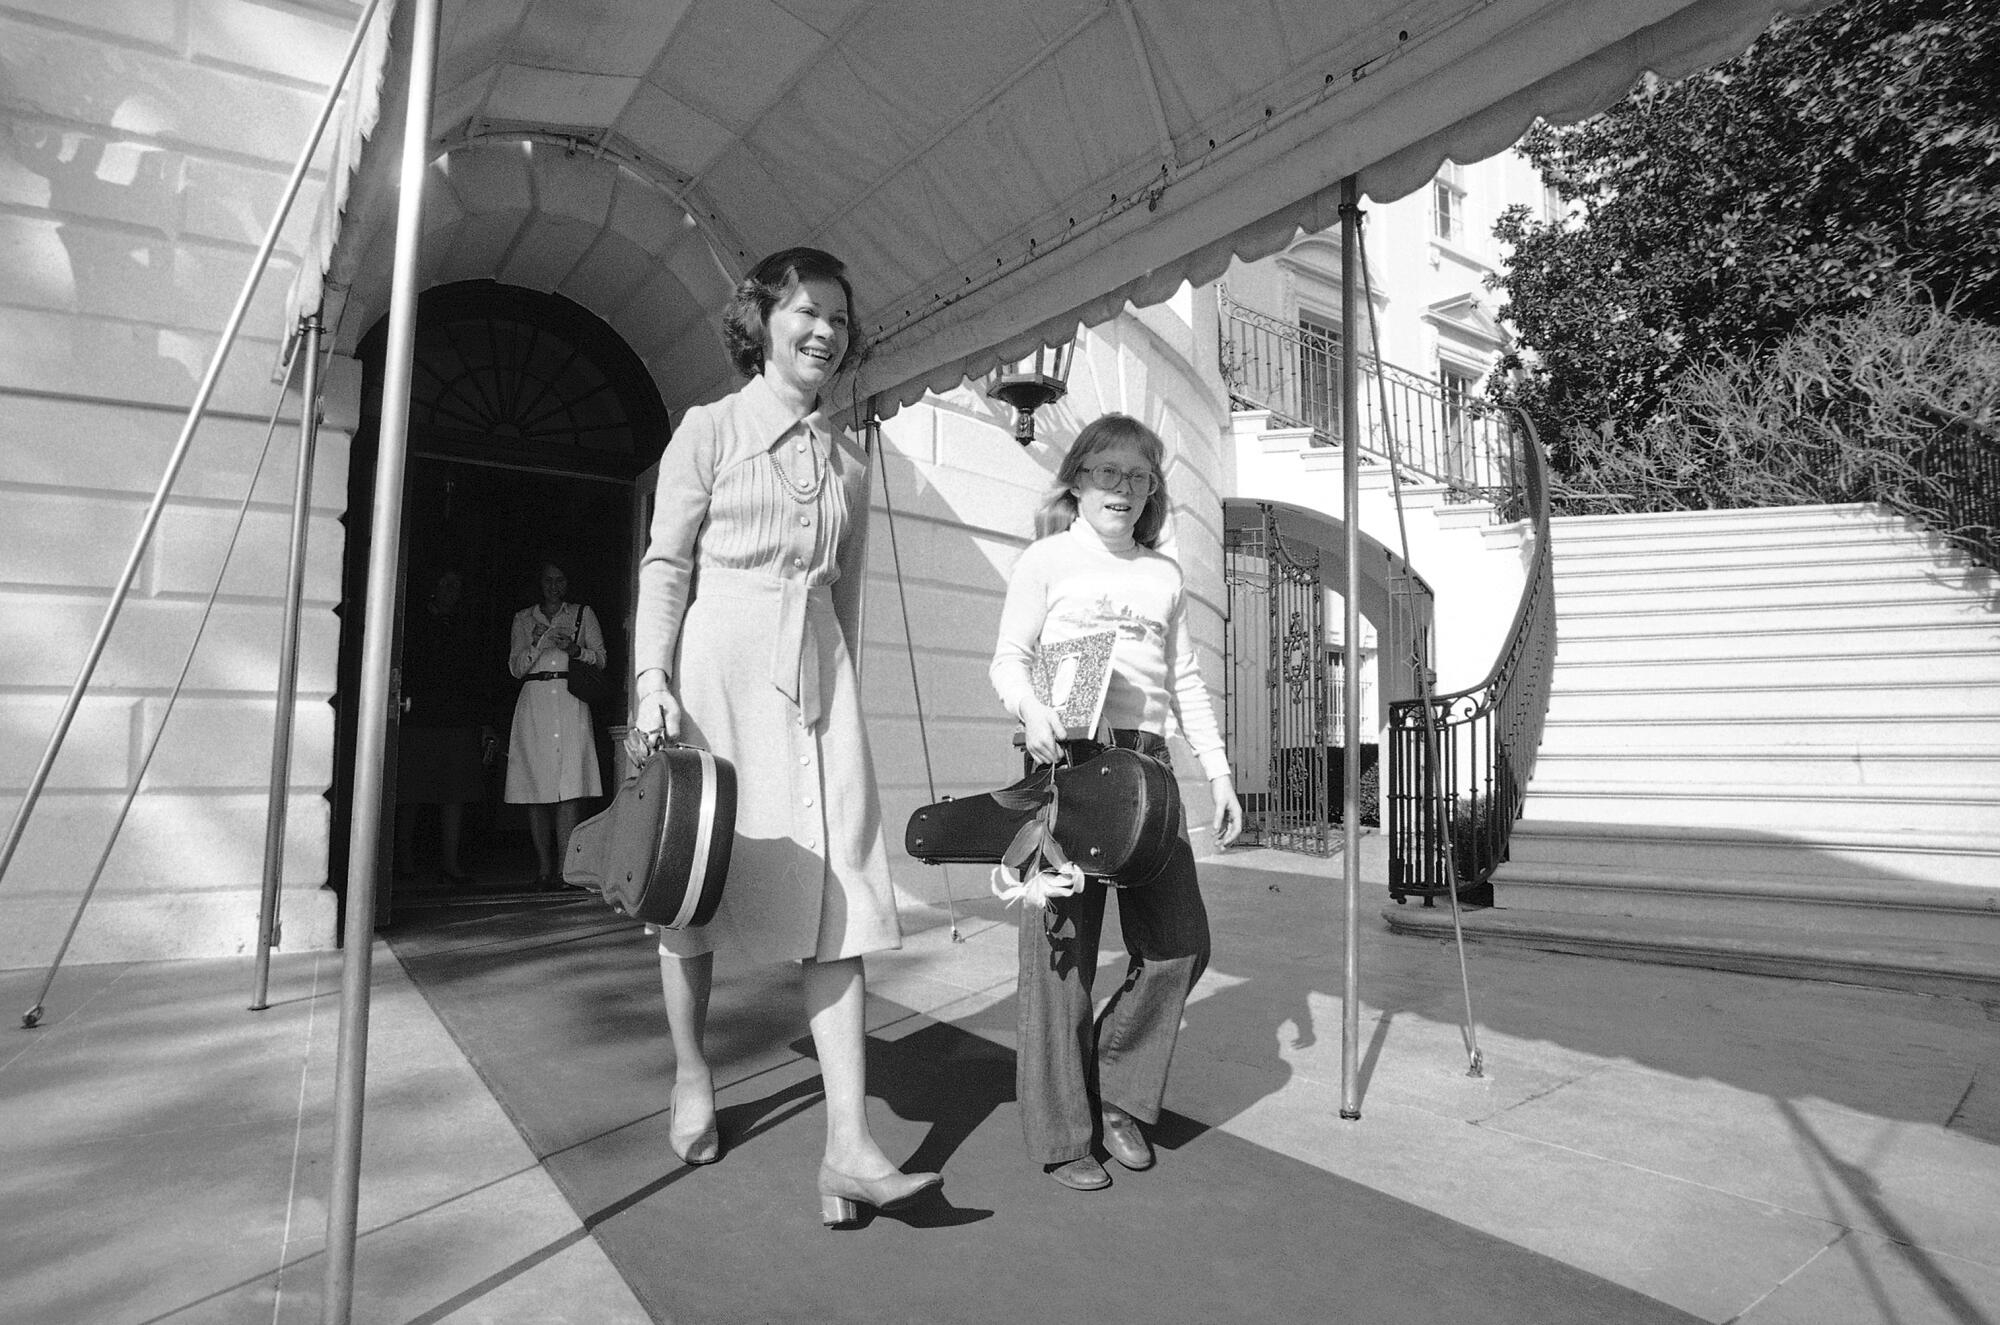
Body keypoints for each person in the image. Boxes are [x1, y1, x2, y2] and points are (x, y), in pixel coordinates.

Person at [625, 246, 941, 1227]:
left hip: (819, 679)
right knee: (698, 888)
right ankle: (691, 1072)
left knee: (838, 892)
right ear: (761, 320)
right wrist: (649, 681)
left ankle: (846, 1143)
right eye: (808, 311)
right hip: (717, 668)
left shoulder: (850, 459)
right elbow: (665, 565)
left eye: (841, 319)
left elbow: (845, 599)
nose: (826, 332)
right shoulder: (707, 431)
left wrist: (844, 699)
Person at [988, 412, 1244, 1192]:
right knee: (1061, 958)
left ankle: (1121, 1089)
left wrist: (1222, 772)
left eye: (1138, 477)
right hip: (1068, 762)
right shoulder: (1047, 559)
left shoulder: (1162, 576)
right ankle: (1065, 1132)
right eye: (1106, 472)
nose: (1122, 489)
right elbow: (1009, 660)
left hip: (1148, 768)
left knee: (1180, 942)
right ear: (1076, 477)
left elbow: (1187, 682)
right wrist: (1032, 713)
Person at [504, 561, 605, 887]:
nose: (553, 586)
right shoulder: (523, 618)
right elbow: (516, 668)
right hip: (535, 702)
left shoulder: (581, 614)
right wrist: (538, 645)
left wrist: (575, 649)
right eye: (548, 580)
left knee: (569, 786)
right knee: (536, 786)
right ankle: (544, 867)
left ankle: (565, 869)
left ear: (567, 583)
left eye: (560, 580)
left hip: (569, 699)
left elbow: (602, 658)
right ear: (539, 583)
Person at [396, 567, 495, 886]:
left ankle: (451, 864)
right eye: (445, 583)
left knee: (455, 794)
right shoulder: (412, 624)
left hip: (458, 719)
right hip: (418, 718)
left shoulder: (467, 626)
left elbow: (477, 676)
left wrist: (484, 721)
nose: (452, 590)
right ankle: (402, 861)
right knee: (410, 793)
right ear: (433, 587)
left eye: (457, 585)